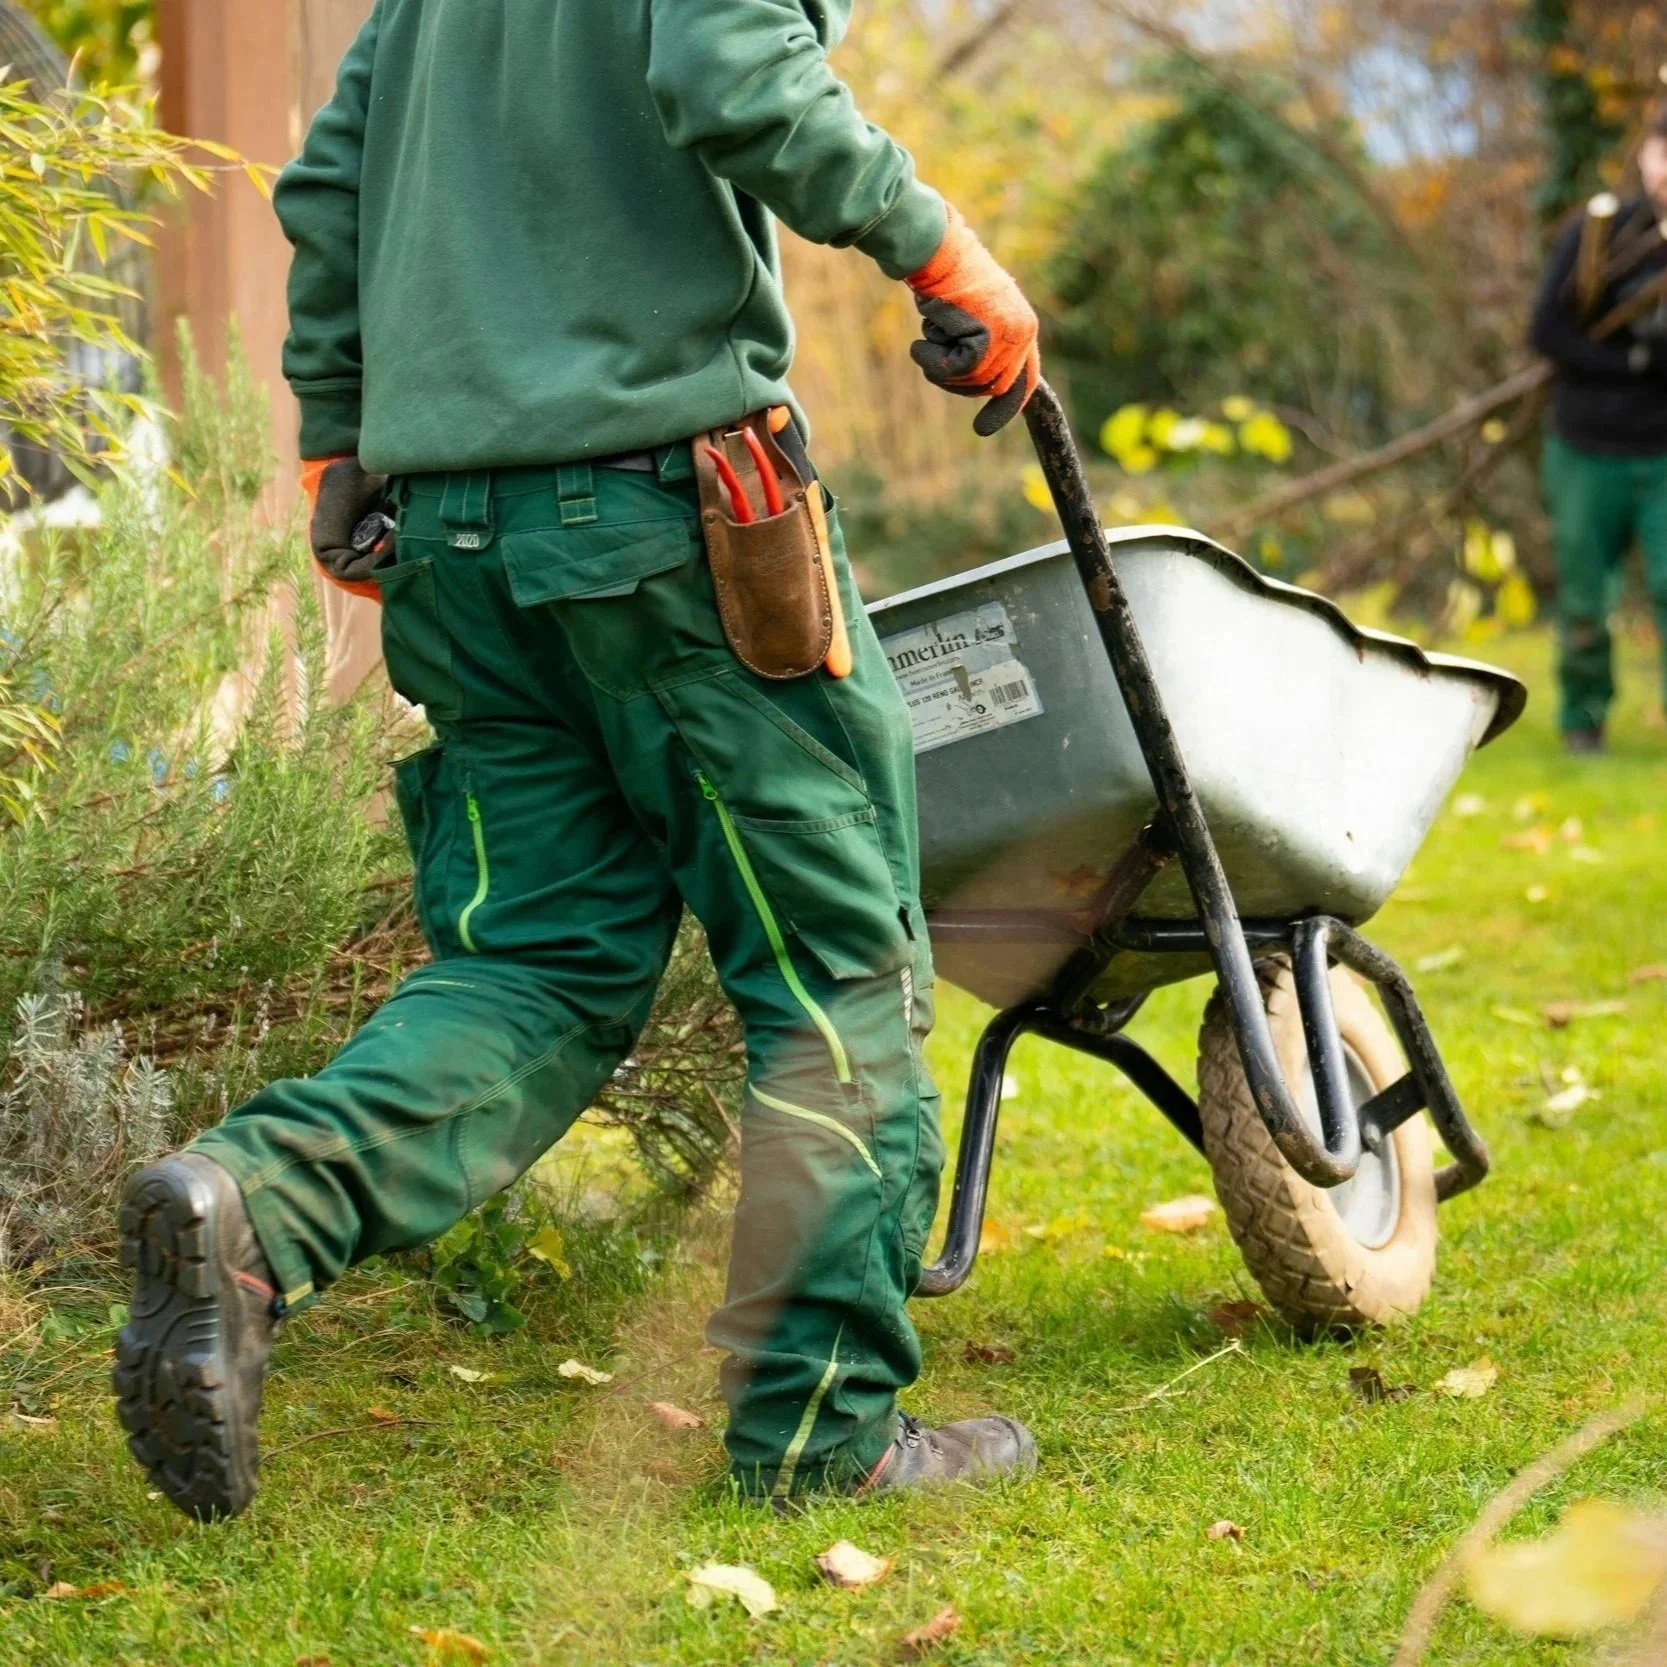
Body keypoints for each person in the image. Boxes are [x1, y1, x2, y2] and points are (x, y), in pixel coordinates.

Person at [110, 0, 1042, 1522]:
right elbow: (730, 70)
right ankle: (822, 1431)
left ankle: (253, 1207)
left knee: (530, 963)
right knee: (834, 978)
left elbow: (333, 181)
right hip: (672, 526)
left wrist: (339, 438)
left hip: (452, 537)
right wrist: (940, 250)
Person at [1530, 109, 1667, 752]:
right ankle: (1583, 723)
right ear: (1645, 155)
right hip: (1586, 447)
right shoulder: (1599, 232)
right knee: (1585, 601)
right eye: (1662, 150)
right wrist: (1635, 364)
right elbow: (1546, 333)